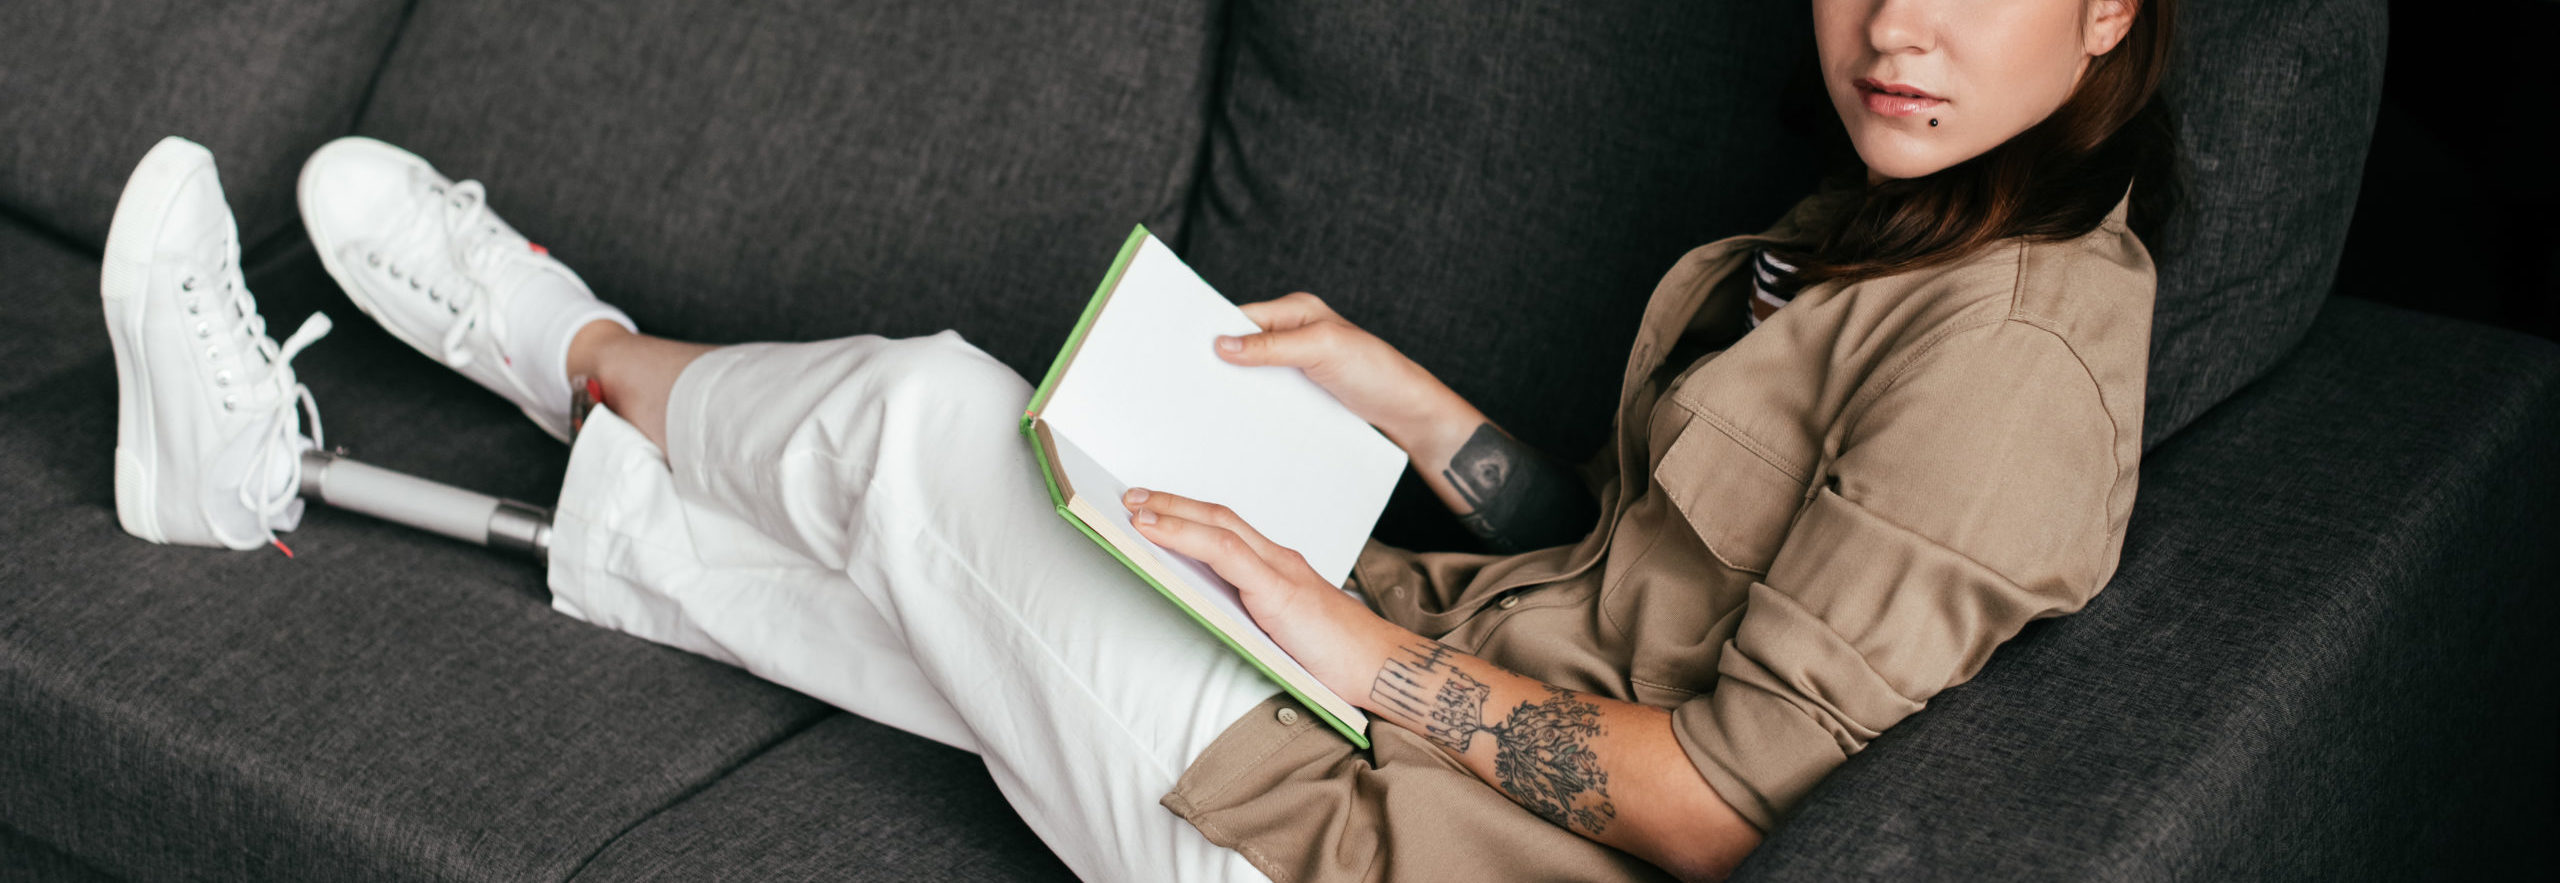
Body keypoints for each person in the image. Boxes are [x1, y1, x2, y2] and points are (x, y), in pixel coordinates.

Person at [97, 0, 2174, 879]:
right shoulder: (1904, 227)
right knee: (893, 584)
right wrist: (1411, 407)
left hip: (1381, 846)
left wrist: (1337, 642)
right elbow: (1633, 559)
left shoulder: (2010, 360)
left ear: (2108, 9)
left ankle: (553, 337)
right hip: (1384, 709)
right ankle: (268, 482)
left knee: (924, 419)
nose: (1896, 24)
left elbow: (1718, 806)